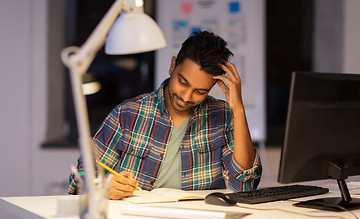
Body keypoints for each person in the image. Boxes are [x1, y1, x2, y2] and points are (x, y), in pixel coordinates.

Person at [68, 31, 262, 200]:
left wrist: (238, 109)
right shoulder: (128, 114)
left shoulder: (223, 116)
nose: (186, 97)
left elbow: (245, 186)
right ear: (172, 67)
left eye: (200, 91)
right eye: (183, 82)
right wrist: (103, 187)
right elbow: (80, 177)